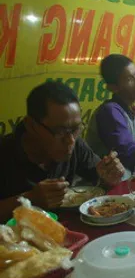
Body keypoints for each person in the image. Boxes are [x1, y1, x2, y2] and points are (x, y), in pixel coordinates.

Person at [0, 81, 125, 222]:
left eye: (76, 129)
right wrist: (30, 199)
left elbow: (99, 181)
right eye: (60, 131)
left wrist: (109, 177)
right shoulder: (5, 152)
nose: (70, 141)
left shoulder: (75, 144)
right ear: (31, 125)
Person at [86, 54, 135, 180]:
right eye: (129, 79)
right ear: (113, 87)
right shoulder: (110, 112)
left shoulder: (131, 112)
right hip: (106, 188)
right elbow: (129, 154)